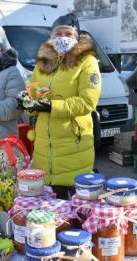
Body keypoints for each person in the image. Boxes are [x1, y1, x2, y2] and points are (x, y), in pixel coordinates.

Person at [28, 14, 102, 199]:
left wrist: (52, 106)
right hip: (44, 146)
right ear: (51, 38)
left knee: (74, 209)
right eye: (58, 33)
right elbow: (33, 91)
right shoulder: (42, 64)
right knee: (48, 213)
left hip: (73, 144)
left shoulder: (87, 62)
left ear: (77, 37)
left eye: (68, 33)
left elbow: (87, 101)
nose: (62, 37)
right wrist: (27, 102)